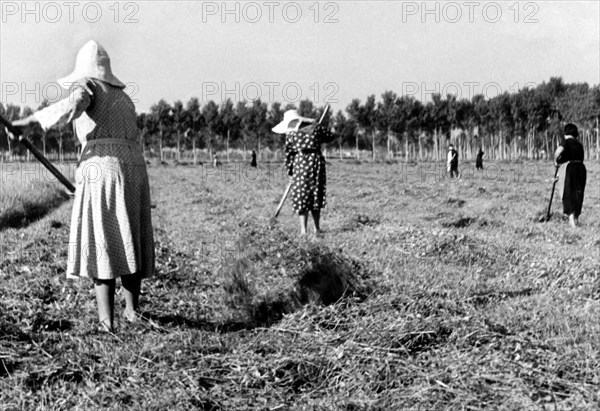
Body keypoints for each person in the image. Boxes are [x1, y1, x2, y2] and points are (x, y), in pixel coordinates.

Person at [7, 40, 155, 332]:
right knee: (130, 233)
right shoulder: (123, 97)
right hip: (134, 166)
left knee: (105, 239)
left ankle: (106, 321)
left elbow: (72, 106)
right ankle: (132, 311)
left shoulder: (87, 86)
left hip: (102, 167)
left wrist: (30, 122)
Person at [272, 110, 335, 236]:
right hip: (315, 163)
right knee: (315, 194)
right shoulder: (315, 128)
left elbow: (289, 154)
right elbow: (331, 136)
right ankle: (316, 229)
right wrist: (319, 126)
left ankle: (304, 230)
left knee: (302, 196)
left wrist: (290, 172)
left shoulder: (291, 134)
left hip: (300, 164)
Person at [554, 123, 586, 228]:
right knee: (578, 193)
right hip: (581, 169)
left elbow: (559, 151)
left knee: (569, 193)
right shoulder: (579, 144)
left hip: (570, 169)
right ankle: (576, 219)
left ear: (565, 133)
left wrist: (555, 160)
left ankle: (572, 222)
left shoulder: (566, 142)